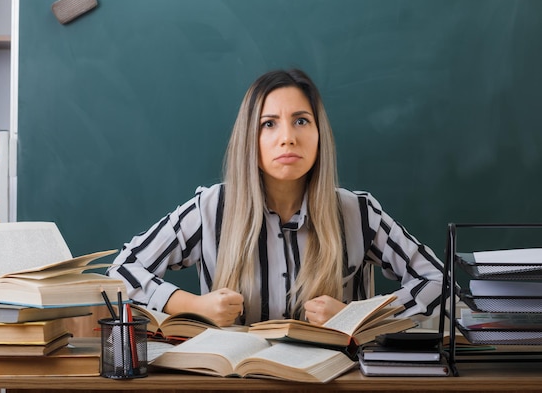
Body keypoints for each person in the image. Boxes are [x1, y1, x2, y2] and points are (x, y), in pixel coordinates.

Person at [107, 69, 443, 327]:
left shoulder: (357, 213)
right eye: (269, 124)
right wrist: (193, 305)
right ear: (249, 140)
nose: (287, 138)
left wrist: (357, 316)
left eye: (301, 121)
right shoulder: (211, 208)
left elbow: (438, 281)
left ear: (319, 135)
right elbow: (121, 272)